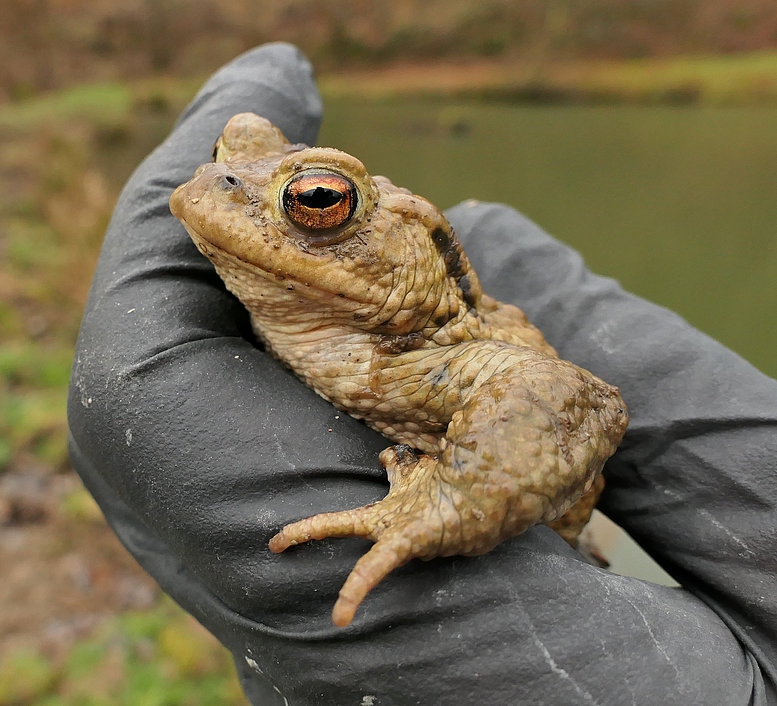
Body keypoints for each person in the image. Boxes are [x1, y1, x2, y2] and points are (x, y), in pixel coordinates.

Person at [67, 43, 777, 705]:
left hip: (548, 531)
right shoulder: (280, 291)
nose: (221, 182)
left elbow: (570, 397)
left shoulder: (429, 354)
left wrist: (445, 501)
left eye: (314, 201)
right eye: (226, 155)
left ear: (391, 247)